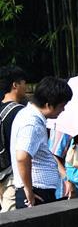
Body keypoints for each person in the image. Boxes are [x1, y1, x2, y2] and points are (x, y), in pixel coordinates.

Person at [10, 77, 73, 208]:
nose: (63, 110)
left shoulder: (28, 115)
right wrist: (29, 190)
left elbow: (42, 153)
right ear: (49, 104)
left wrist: (65, 177)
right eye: (62, 106)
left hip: (38, 190)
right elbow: (22, 157)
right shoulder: (32, 123)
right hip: (36, 192)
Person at [0, 66, 28, 211]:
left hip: (1, 167)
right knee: (9, 216)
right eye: (24, 83)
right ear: (15, 85)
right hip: (11, 172)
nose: (26, 86)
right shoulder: (21, 112)